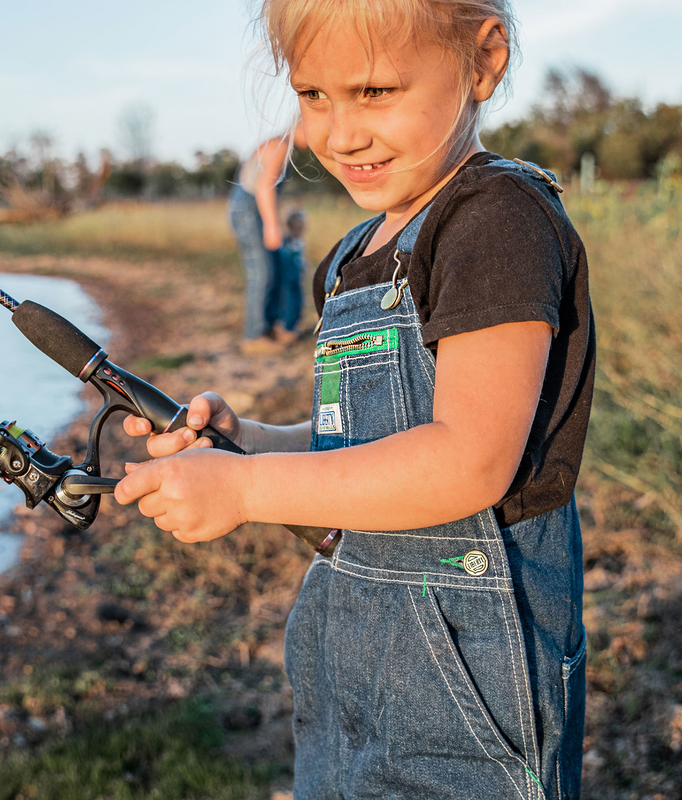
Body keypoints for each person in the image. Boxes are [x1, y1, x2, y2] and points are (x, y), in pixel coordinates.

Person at [116, 0, 594, 797]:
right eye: (313, 97)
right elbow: (367, 434)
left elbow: (468, 460)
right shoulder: (348, 255)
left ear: (483, 60)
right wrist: (250, 442)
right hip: (351, 645)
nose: (340, 134)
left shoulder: (496, 222)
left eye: (374, 92)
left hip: (472, 666)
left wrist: (246, 490)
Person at [229, 128, 308, 354]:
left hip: (252, 211)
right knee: (262, 273)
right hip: (249, 212)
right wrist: (272, 226)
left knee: (271, 270)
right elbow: (265, 188)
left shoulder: (281, 145)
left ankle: (270, 327)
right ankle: (254, 337)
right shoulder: (279, 146)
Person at [265, 209, 307, 344]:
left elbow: (301, 259)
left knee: (298, 301)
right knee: (288, 300)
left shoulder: (299, 241)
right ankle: (287, 327)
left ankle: (293, 325)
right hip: (289, 280)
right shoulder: (286, 242)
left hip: (297, 280)